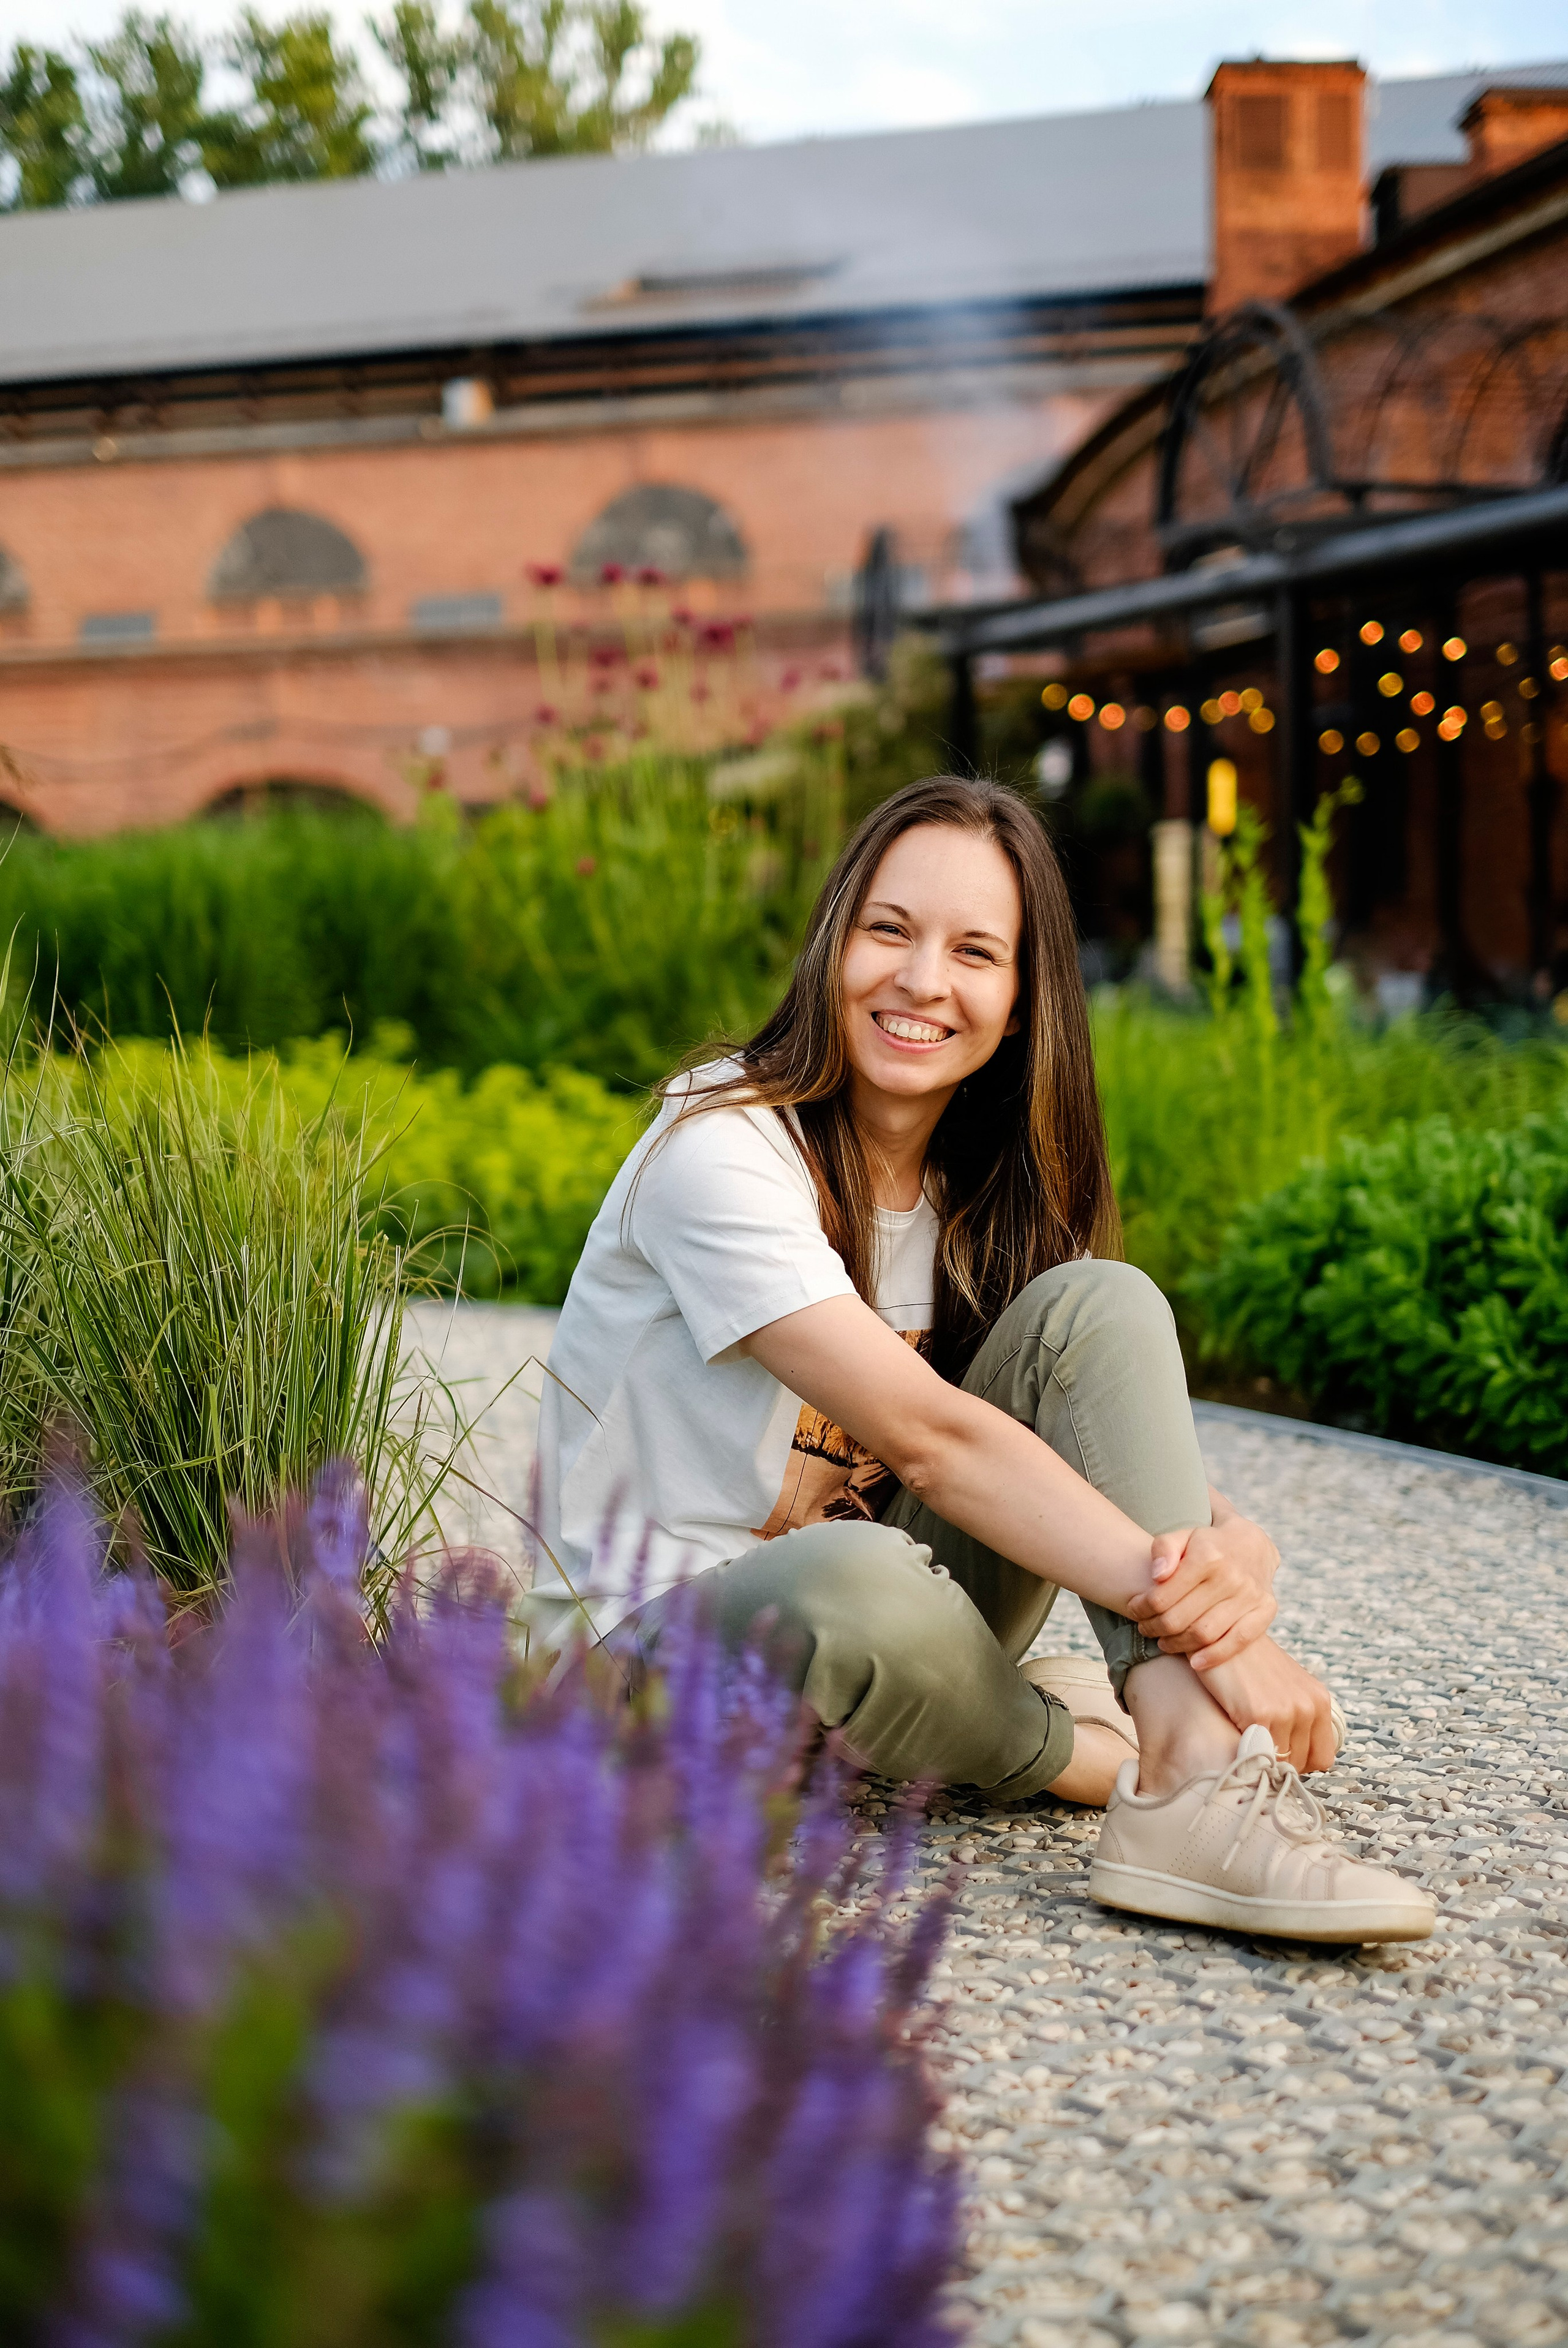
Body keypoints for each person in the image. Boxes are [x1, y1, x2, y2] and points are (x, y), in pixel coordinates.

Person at [536, 776, 1433, 1944]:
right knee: (859, 1577)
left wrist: (1233, 1547)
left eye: (975, 951)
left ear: (1019, 1001)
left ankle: (1192, 1779)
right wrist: (1216, 1631)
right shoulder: (723, 1142)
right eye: (889, 931)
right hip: (646, 1670)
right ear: (831, 945)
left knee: (1099, 1304)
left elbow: (1077, 1440)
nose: (922, 982)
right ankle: (1072, 1752)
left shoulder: (981, 1198)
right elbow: (934, 1441)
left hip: (898, 1630)